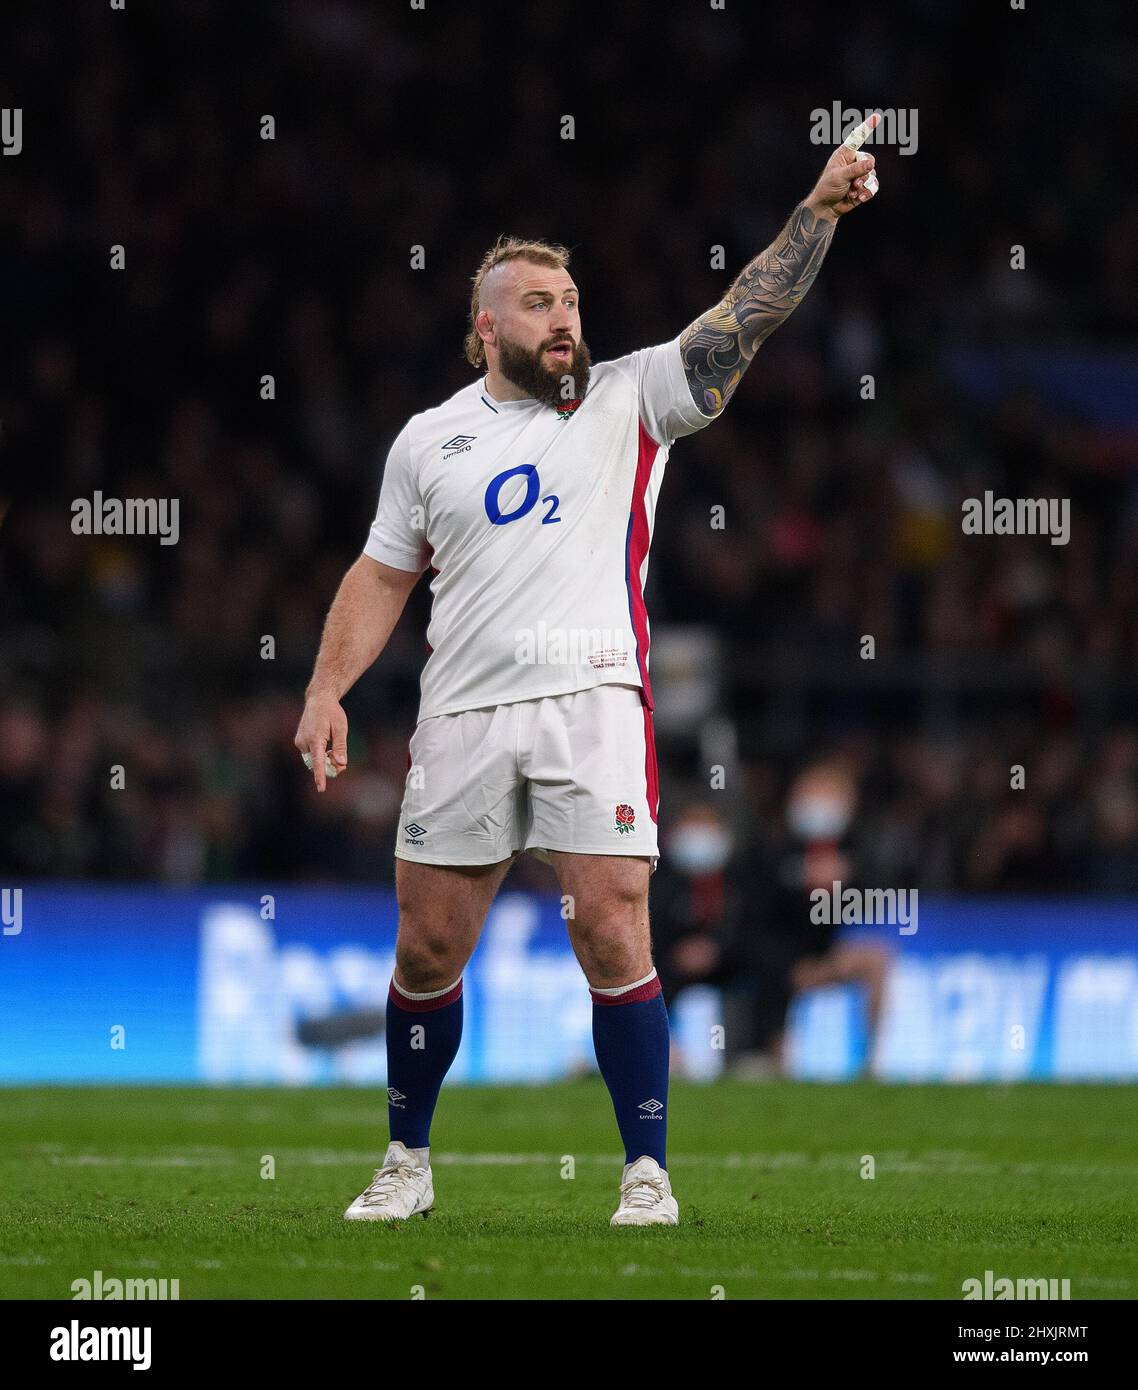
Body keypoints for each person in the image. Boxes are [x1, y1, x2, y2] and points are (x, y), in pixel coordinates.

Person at [293, 132, 880, 1226]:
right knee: (427, 946)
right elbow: (377, 579)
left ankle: (644, 1172)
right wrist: (326, 688)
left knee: (612, 924)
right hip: (461, 710)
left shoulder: (631, 397)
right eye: (536, 303)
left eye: (569, 298)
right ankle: (406, 1161)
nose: (564, 316)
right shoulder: (428, 443)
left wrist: (819, 212)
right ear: (485, 327)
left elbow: (743, 317)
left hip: (594, 698)